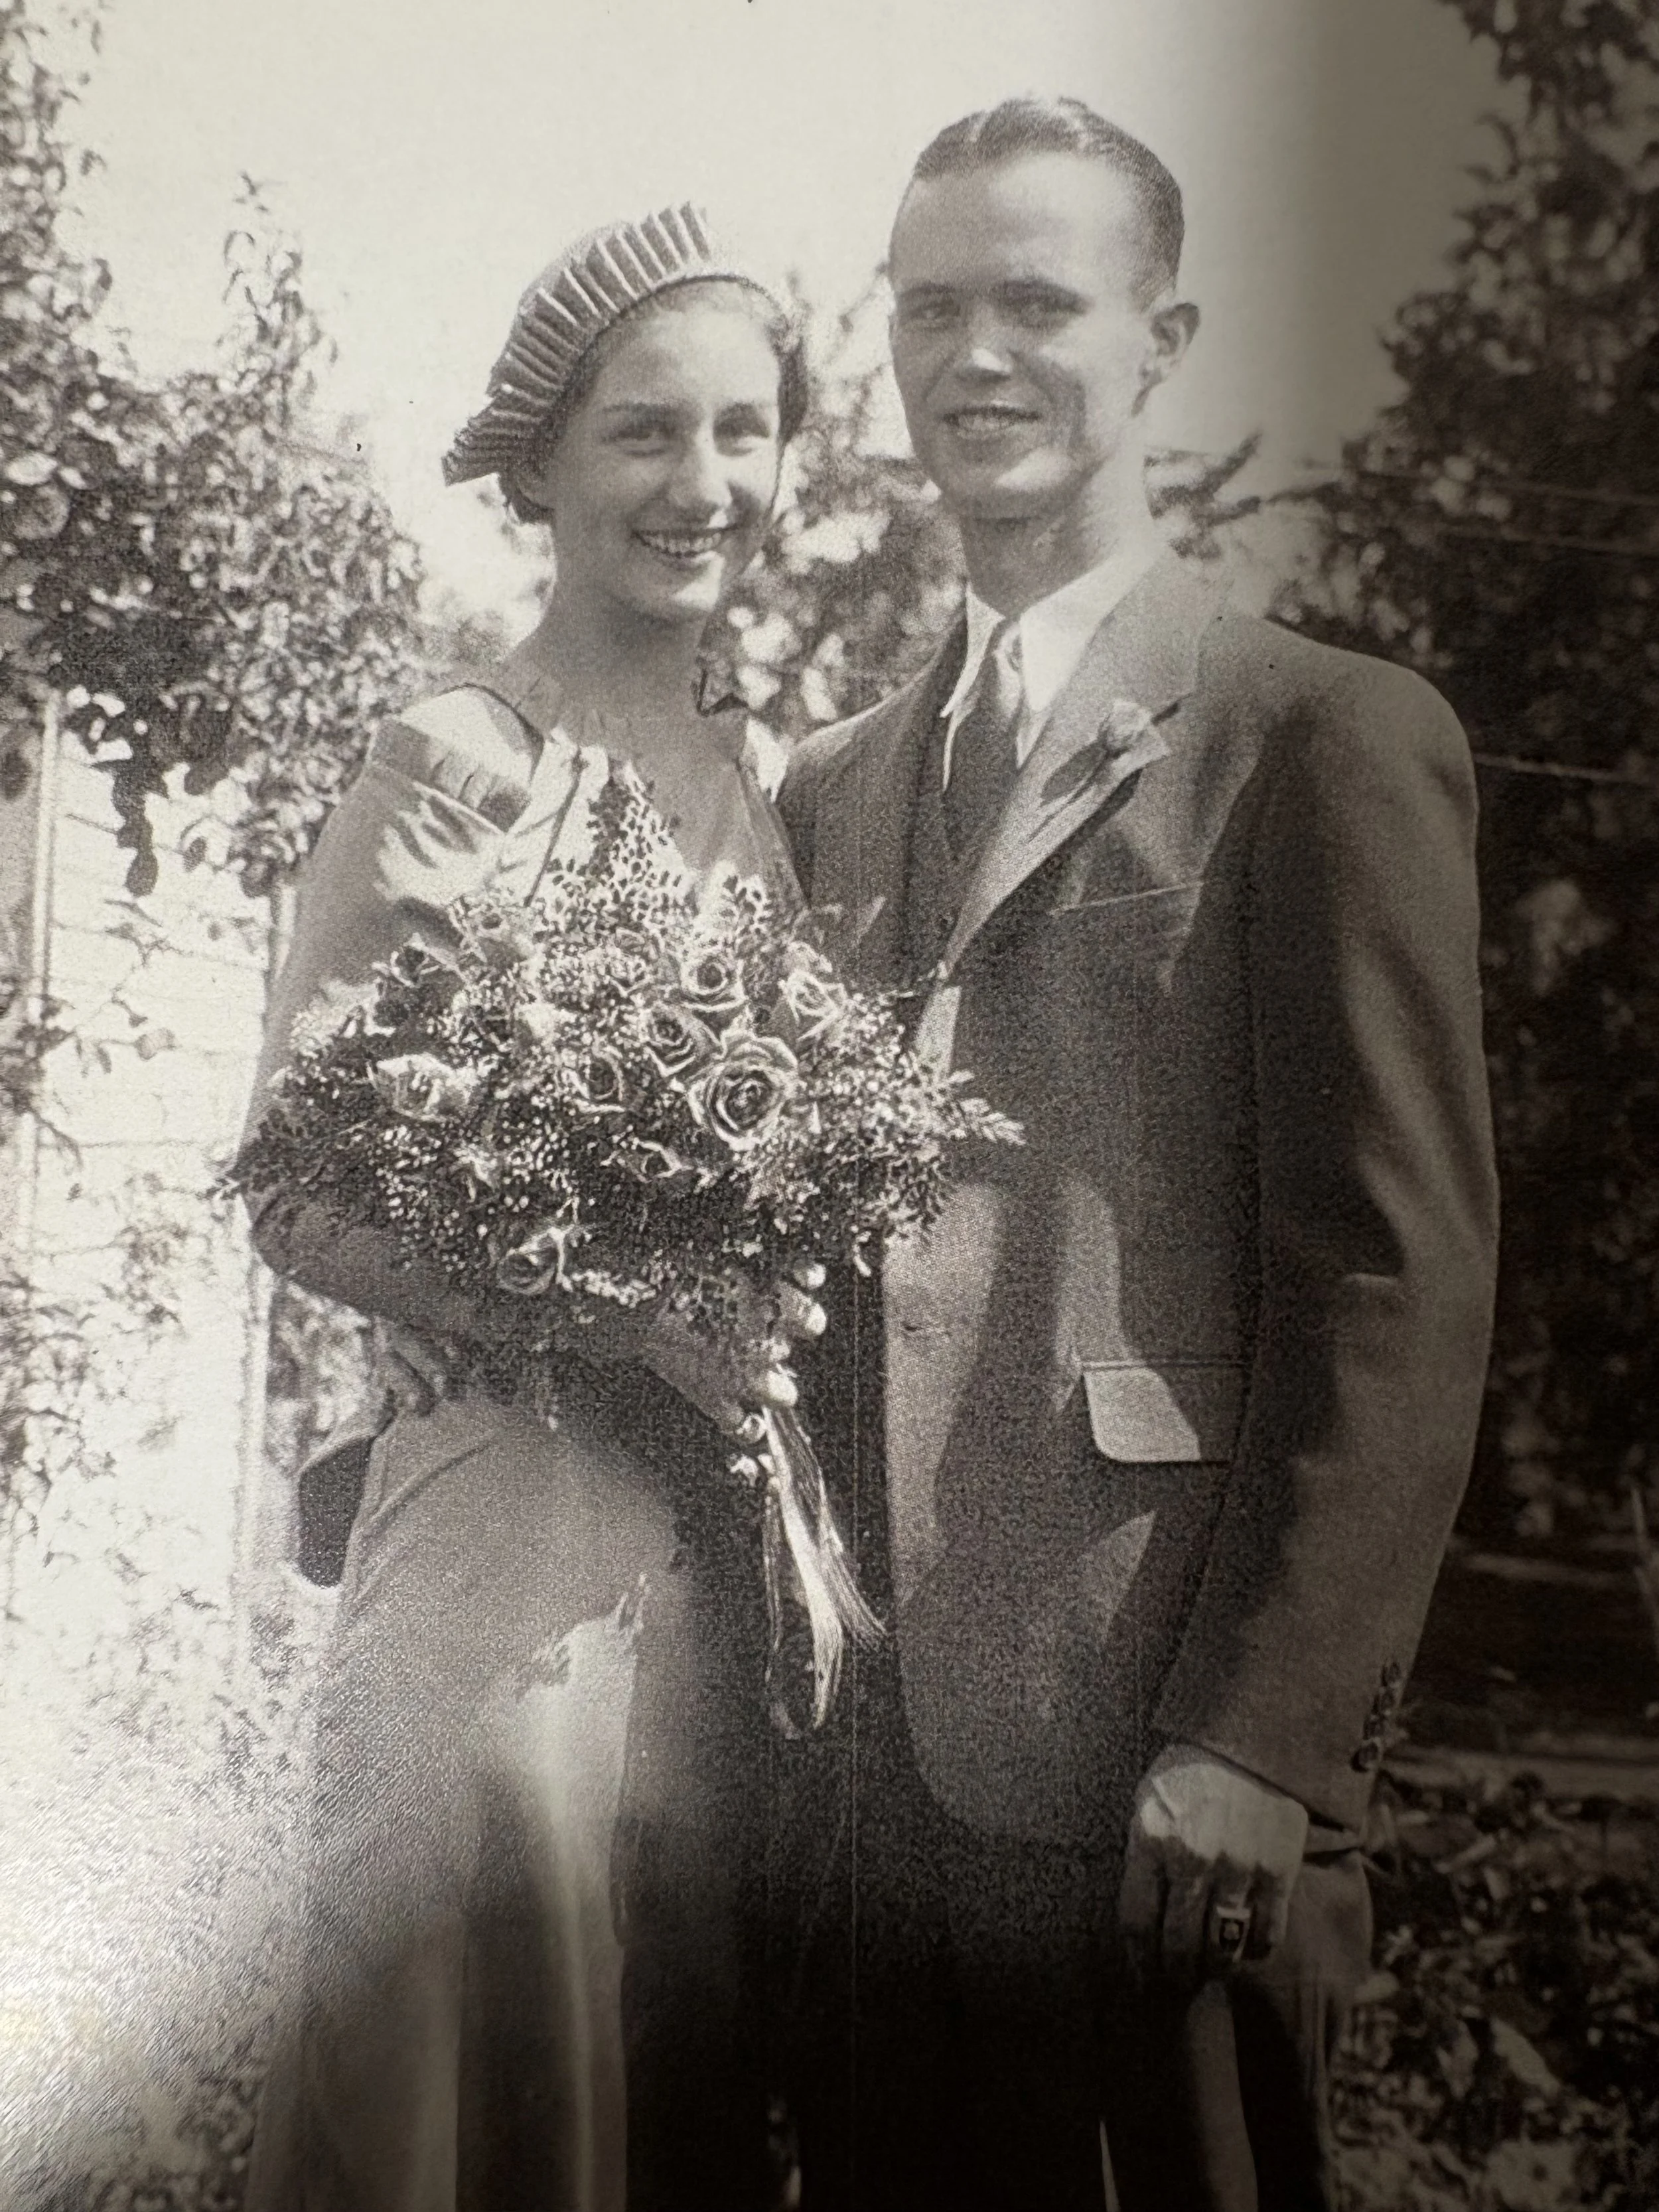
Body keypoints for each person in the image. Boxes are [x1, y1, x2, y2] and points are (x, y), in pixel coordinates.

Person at [776, 98, 1500, 2211]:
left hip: (1162, 1759)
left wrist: (1260, 1740)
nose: (972, 355)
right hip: (872, 1772)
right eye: (929, 308)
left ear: (1160, 336)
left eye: (1034, 302)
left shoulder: (1317, 733)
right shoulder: (831, 783)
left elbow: (1398, 1275)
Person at [242, 204, 821, 2212]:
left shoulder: (756, 788)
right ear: (545, 464)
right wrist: (621, 1315)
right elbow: (301, 1183)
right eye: (646, 434)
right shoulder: (454, 760)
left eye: (746, 432)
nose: (703, 484)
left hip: (703, 1563)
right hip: (503, 1526)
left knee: (646, 2106)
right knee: (471, 2103)